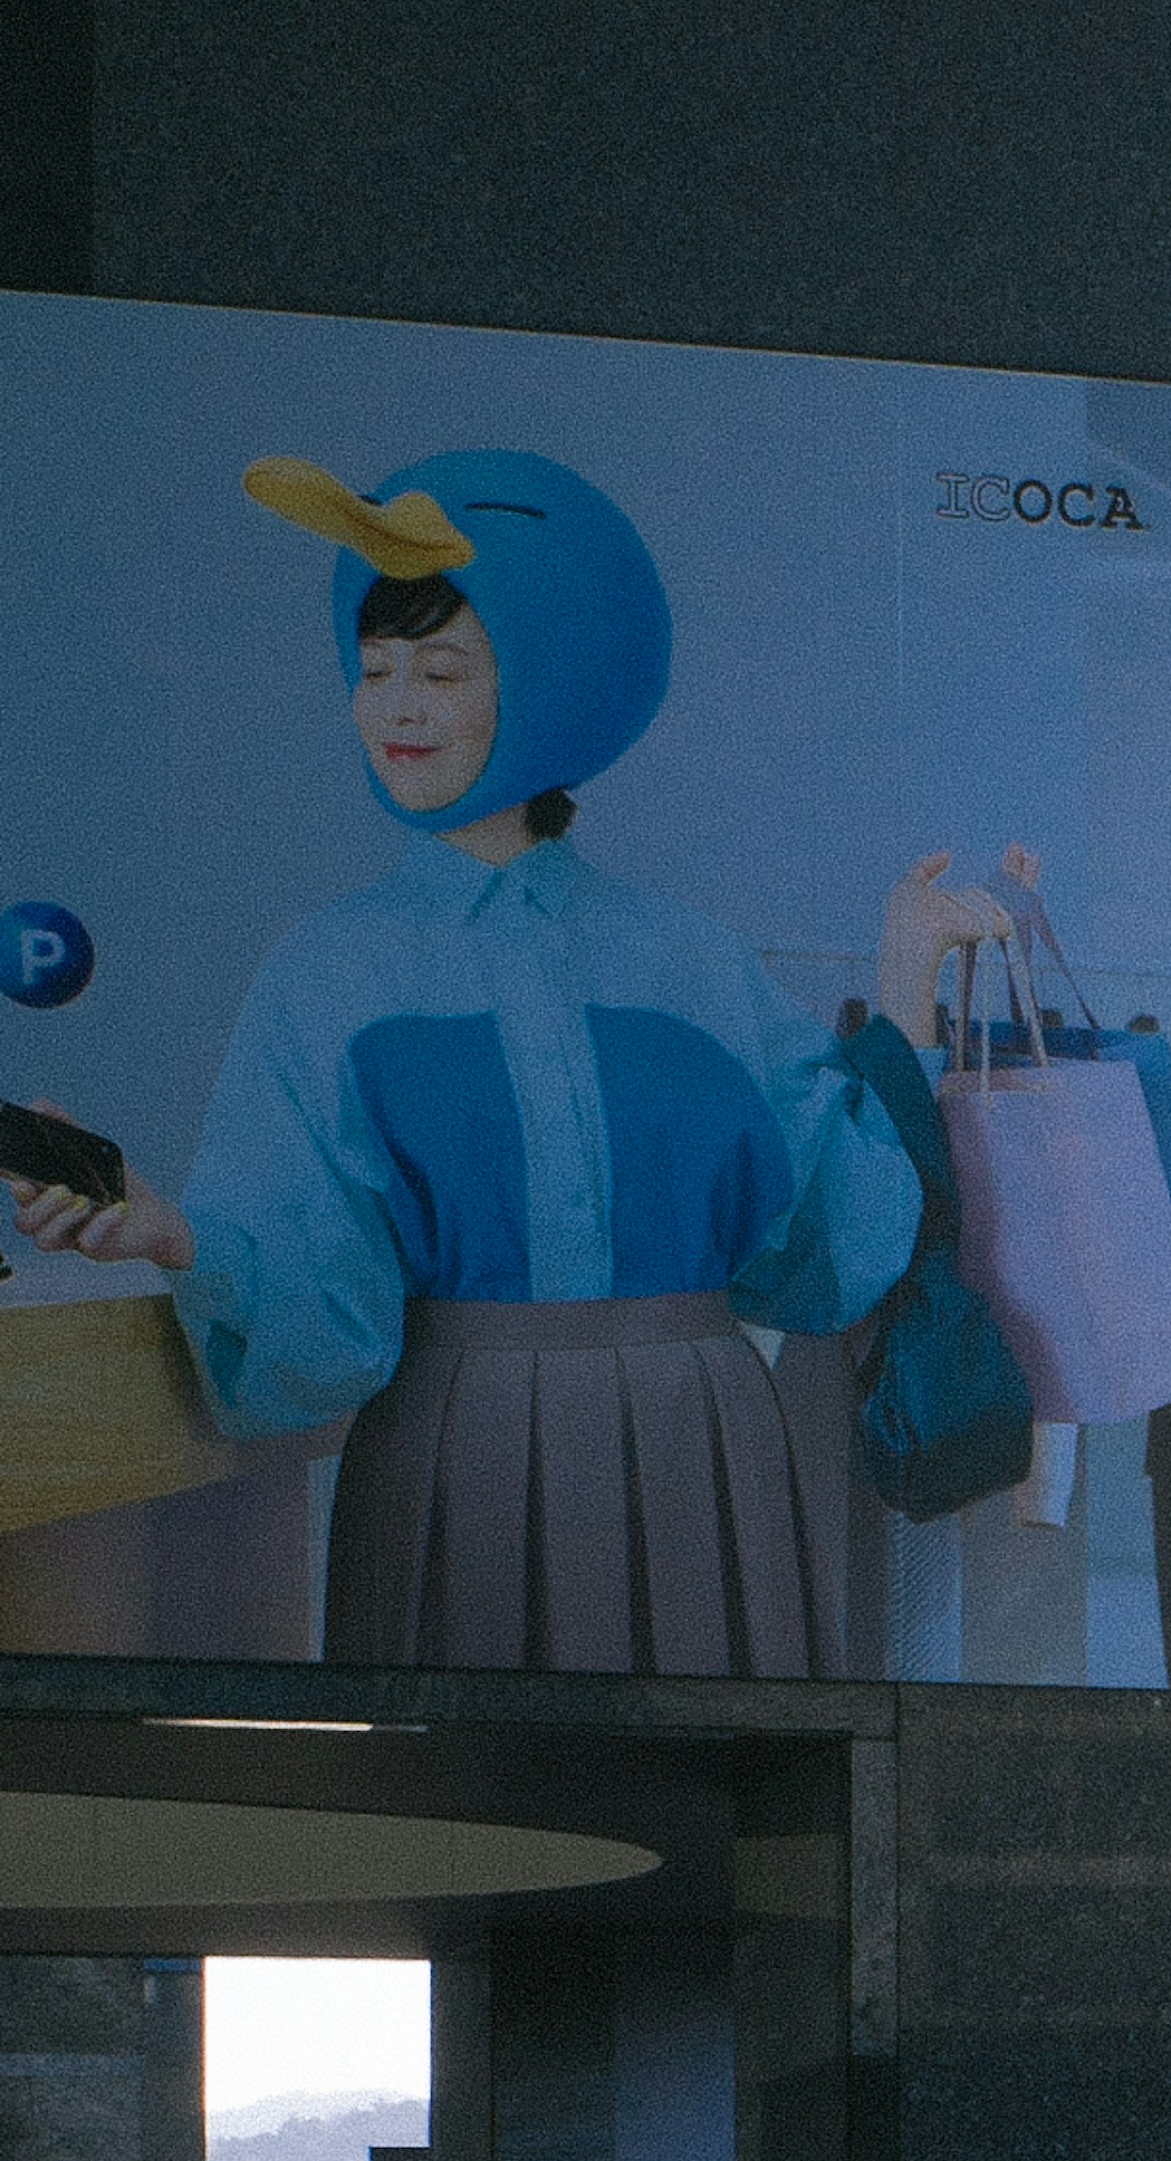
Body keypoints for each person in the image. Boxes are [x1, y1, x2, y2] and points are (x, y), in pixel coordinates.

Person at [0, 445, 1021, 1676]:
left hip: (708, 1448)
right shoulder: (327, 973)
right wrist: (178, 1237)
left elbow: (832, 1246)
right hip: (453, 1454)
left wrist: (905, 975)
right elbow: (325, 1321)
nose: (399, 708)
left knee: (696, 1820)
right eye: (374, 671)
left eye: (443, 669)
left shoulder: (689, 959)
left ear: (551, 681)